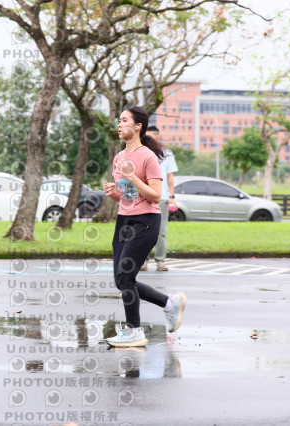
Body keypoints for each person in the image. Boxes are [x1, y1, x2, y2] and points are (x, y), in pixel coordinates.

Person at [102, 106, 186, 347]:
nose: (119, 125)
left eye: (124, 120)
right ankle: (169, 303)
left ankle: (134, 331)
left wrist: (132, 177)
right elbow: (127, 196)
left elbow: (155, 195)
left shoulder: (148, 157)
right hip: (124, 221)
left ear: (138, 126)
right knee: (121, 280)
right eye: (119, 121)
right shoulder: (119, 157)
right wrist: (113, 193)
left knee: (126, 276)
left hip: (146, 221)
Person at [140, 126, 178, 272]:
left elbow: (170, 177)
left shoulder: (167, 154)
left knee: (161, 231)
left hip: (161, 198)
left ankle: (160, 261)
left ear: (156, 137)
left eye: (150, 136)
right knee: (143, 230)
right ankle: (143, 261)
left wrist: (172, 197)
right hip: (144, 196)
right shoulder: (141, 152)